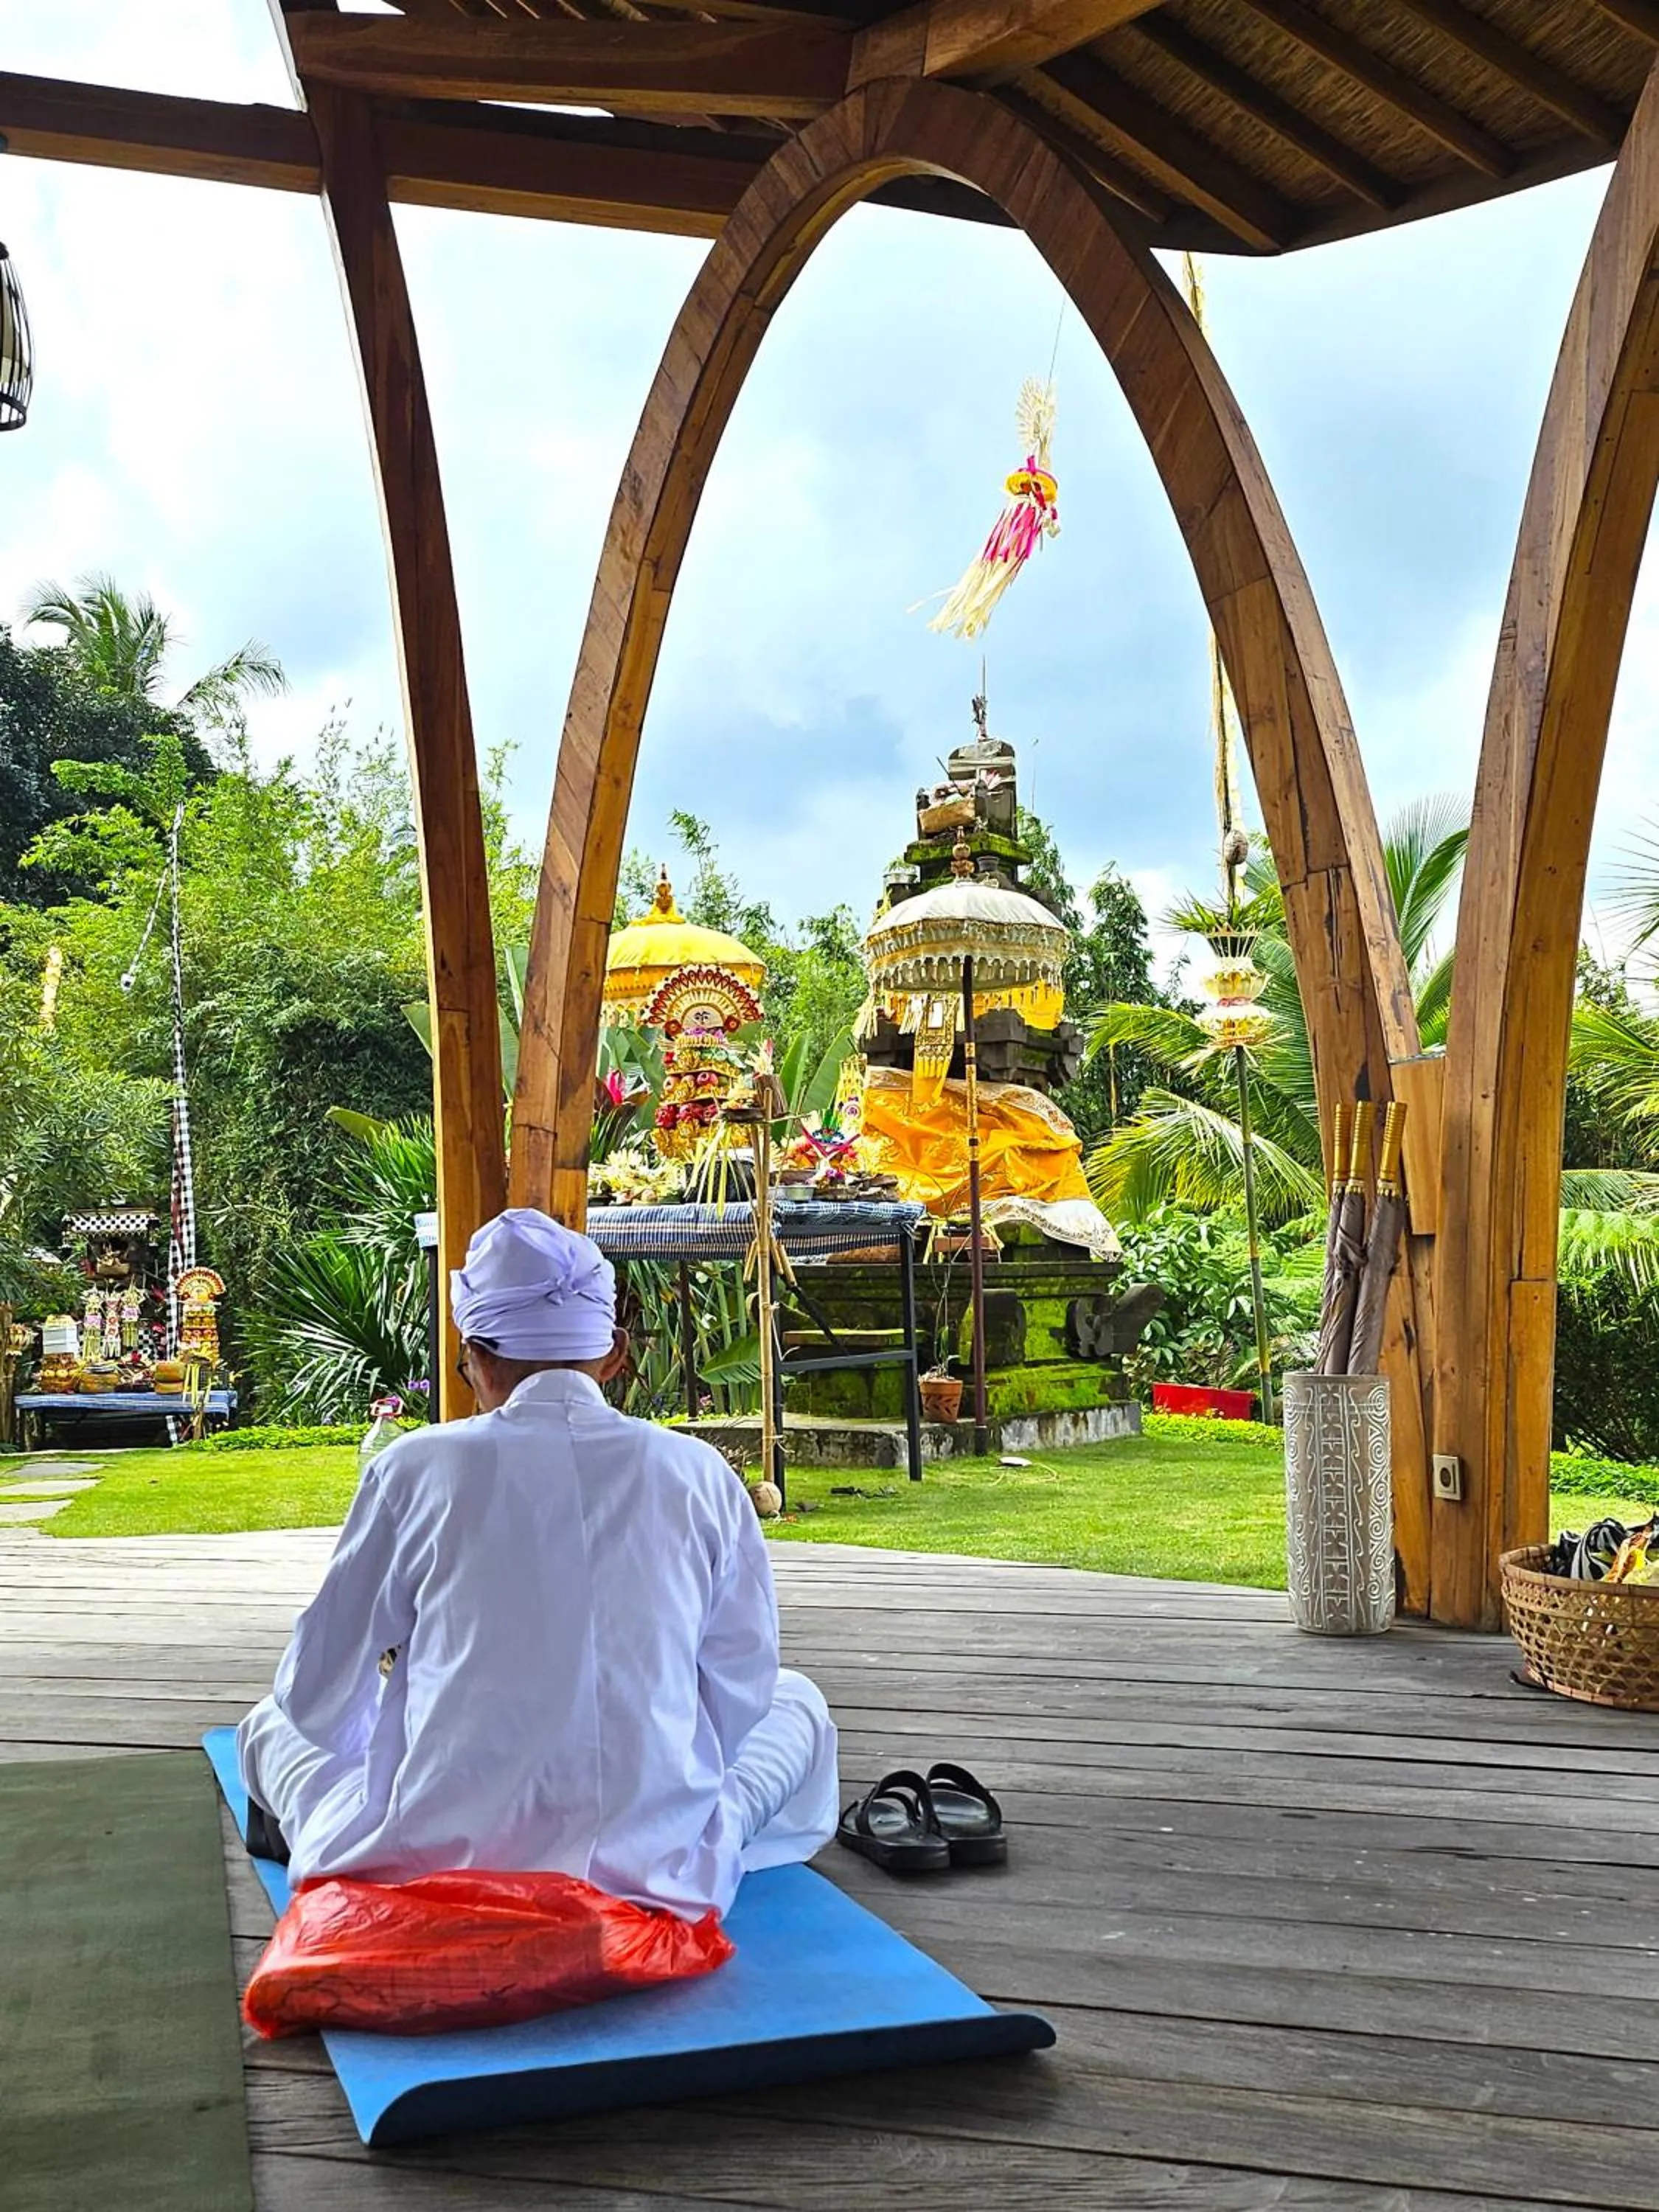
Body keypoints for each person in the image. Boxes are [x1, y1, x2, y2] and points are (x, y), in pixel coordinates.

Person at [236, 1208, 838, 1920]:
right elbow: (741, 1686)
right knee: (795, 1702)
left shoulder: (414, 1468)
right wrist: (656, 1775)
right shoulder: (698, 1471)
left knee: (270, 1724)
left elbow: (315, 1696)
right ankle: (679, 1839)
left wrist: (408, 1743)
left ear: (477, 1357)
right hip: (657, 1867)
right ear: (613, 1355)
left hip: (435, 1864)